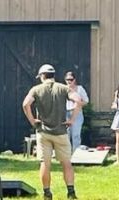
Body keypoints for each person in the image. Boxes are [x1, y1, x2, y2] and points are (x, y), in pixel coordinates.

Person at [22, 64, 83, 200]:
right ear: (53, 75)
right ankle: (71, 192)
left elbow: (26, 104)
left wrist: (33, 121)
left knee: (45, 163)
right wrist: (72, 120)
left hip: (43, 132)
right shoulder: (63, 88)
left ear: (42, 76)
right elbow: (78, 100)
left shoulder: (36, 89)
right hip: (61, 131)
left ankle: (47, 193)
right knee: (66, 163)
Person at [64, 71, 89, 152]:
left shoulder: (80, 89)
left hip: (77, 112)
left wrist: (78, 103)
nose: (69, 81)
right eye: (67, 79)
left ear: (74, 80)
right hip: (65, 113)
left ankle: (75, 153)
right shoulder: (63, 89)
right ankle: (67, 154)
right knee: (66, 134)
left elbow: (86, 101)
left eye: (71, 79)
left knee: (76, 134)